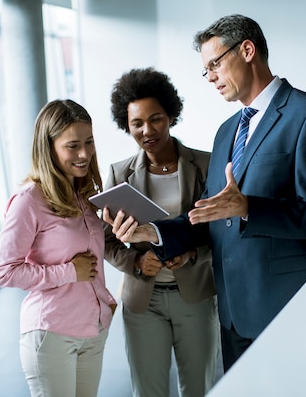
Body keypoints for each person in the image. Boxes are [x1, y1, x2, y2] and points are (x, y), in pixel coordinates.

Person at [104, 14, 306, 371]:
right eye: (207, 70)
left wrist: (247, 206)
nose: (211, 77)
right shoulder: (226, 131)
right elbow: (207, 215)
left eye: (215, 64)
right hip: (232, 314)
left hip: (288, 308)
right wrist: (149, 232)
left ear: (247, 50)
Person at [104, 67, 219, 397]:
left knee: (199, 388)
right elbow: (106, 239)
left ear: (171, 114)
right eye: (136, 123)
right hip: (144, 301)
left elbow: (222, 232)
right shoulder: (119, 173)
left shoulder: (206, 165)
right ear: (126, 126)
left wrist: (193, 253)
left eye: (155, 118)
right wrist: (135, 263)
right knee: (148, 391)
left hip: (195, 296)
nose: (147, 130)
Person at [0, 99, 117, 397]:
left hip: (92, 331)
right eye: (72, 145)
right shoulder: (29, 200)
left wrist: (103, 301)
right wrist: (68, 272)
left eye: (88, 142)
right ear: (49, 148)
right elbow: (3, 272)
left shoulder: (84, 195)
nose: (84, 153)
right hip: (52, 333)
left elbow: (92, 259)